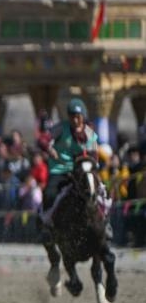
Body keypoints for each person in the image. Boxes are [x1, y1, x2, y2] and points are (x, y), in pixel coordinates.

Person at [40, 97, 102, 238]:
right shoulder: (61, 128)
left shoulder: (89, 132)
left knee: (101, 191)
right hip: (60, 171)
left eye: (78, 117)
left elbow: (94, 154)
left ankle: (105, 223)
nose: (75, 120)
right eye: (72, 117)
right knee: (50, 193)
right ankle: (47, 225)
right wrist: (49, 149)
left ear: (83, 116)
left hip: (81, 171)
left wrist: (92, 164)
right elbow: (43, 139)